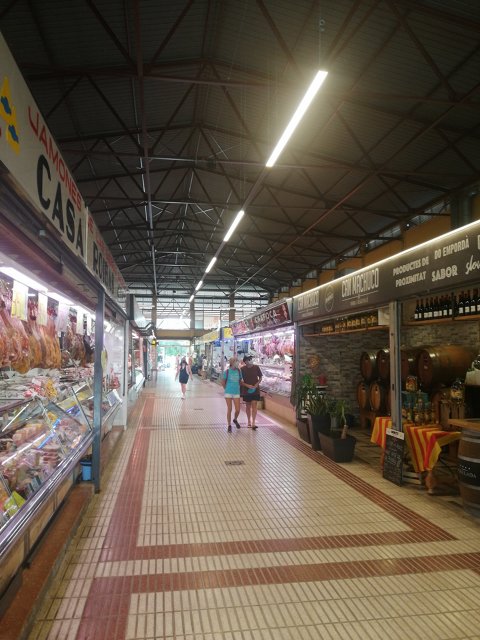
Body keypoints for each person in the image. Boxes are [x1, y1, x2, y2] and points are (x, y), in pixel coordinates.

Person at [240, 355, 262, 430]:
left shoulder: (256, 367)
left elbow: (260, 377)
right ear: (245, 361)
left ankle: (253, 422)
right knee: (248, 406)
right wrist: (247, 385)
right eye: (249, 359)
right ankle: (248, 420)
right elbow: (240, 381)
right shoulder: (242, 369)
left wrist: (257, 384)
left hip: (255, 390)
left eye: (251, 359)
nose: (250, 360)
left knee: (254, 404)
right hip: (247, 390)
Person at [222, 357, 242, 432]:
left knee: (238, 409)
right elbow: (223, 382)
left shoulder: (239, 371)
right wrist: (226, 389)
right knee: (229, 409)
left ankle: (235, 419)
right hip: (228, 393)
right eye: (236, 361)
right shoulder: (227, 372)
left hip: (236, 392)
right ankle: (229, 425)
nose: (238, 363)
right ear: (232, 363)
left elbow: (240, 381)